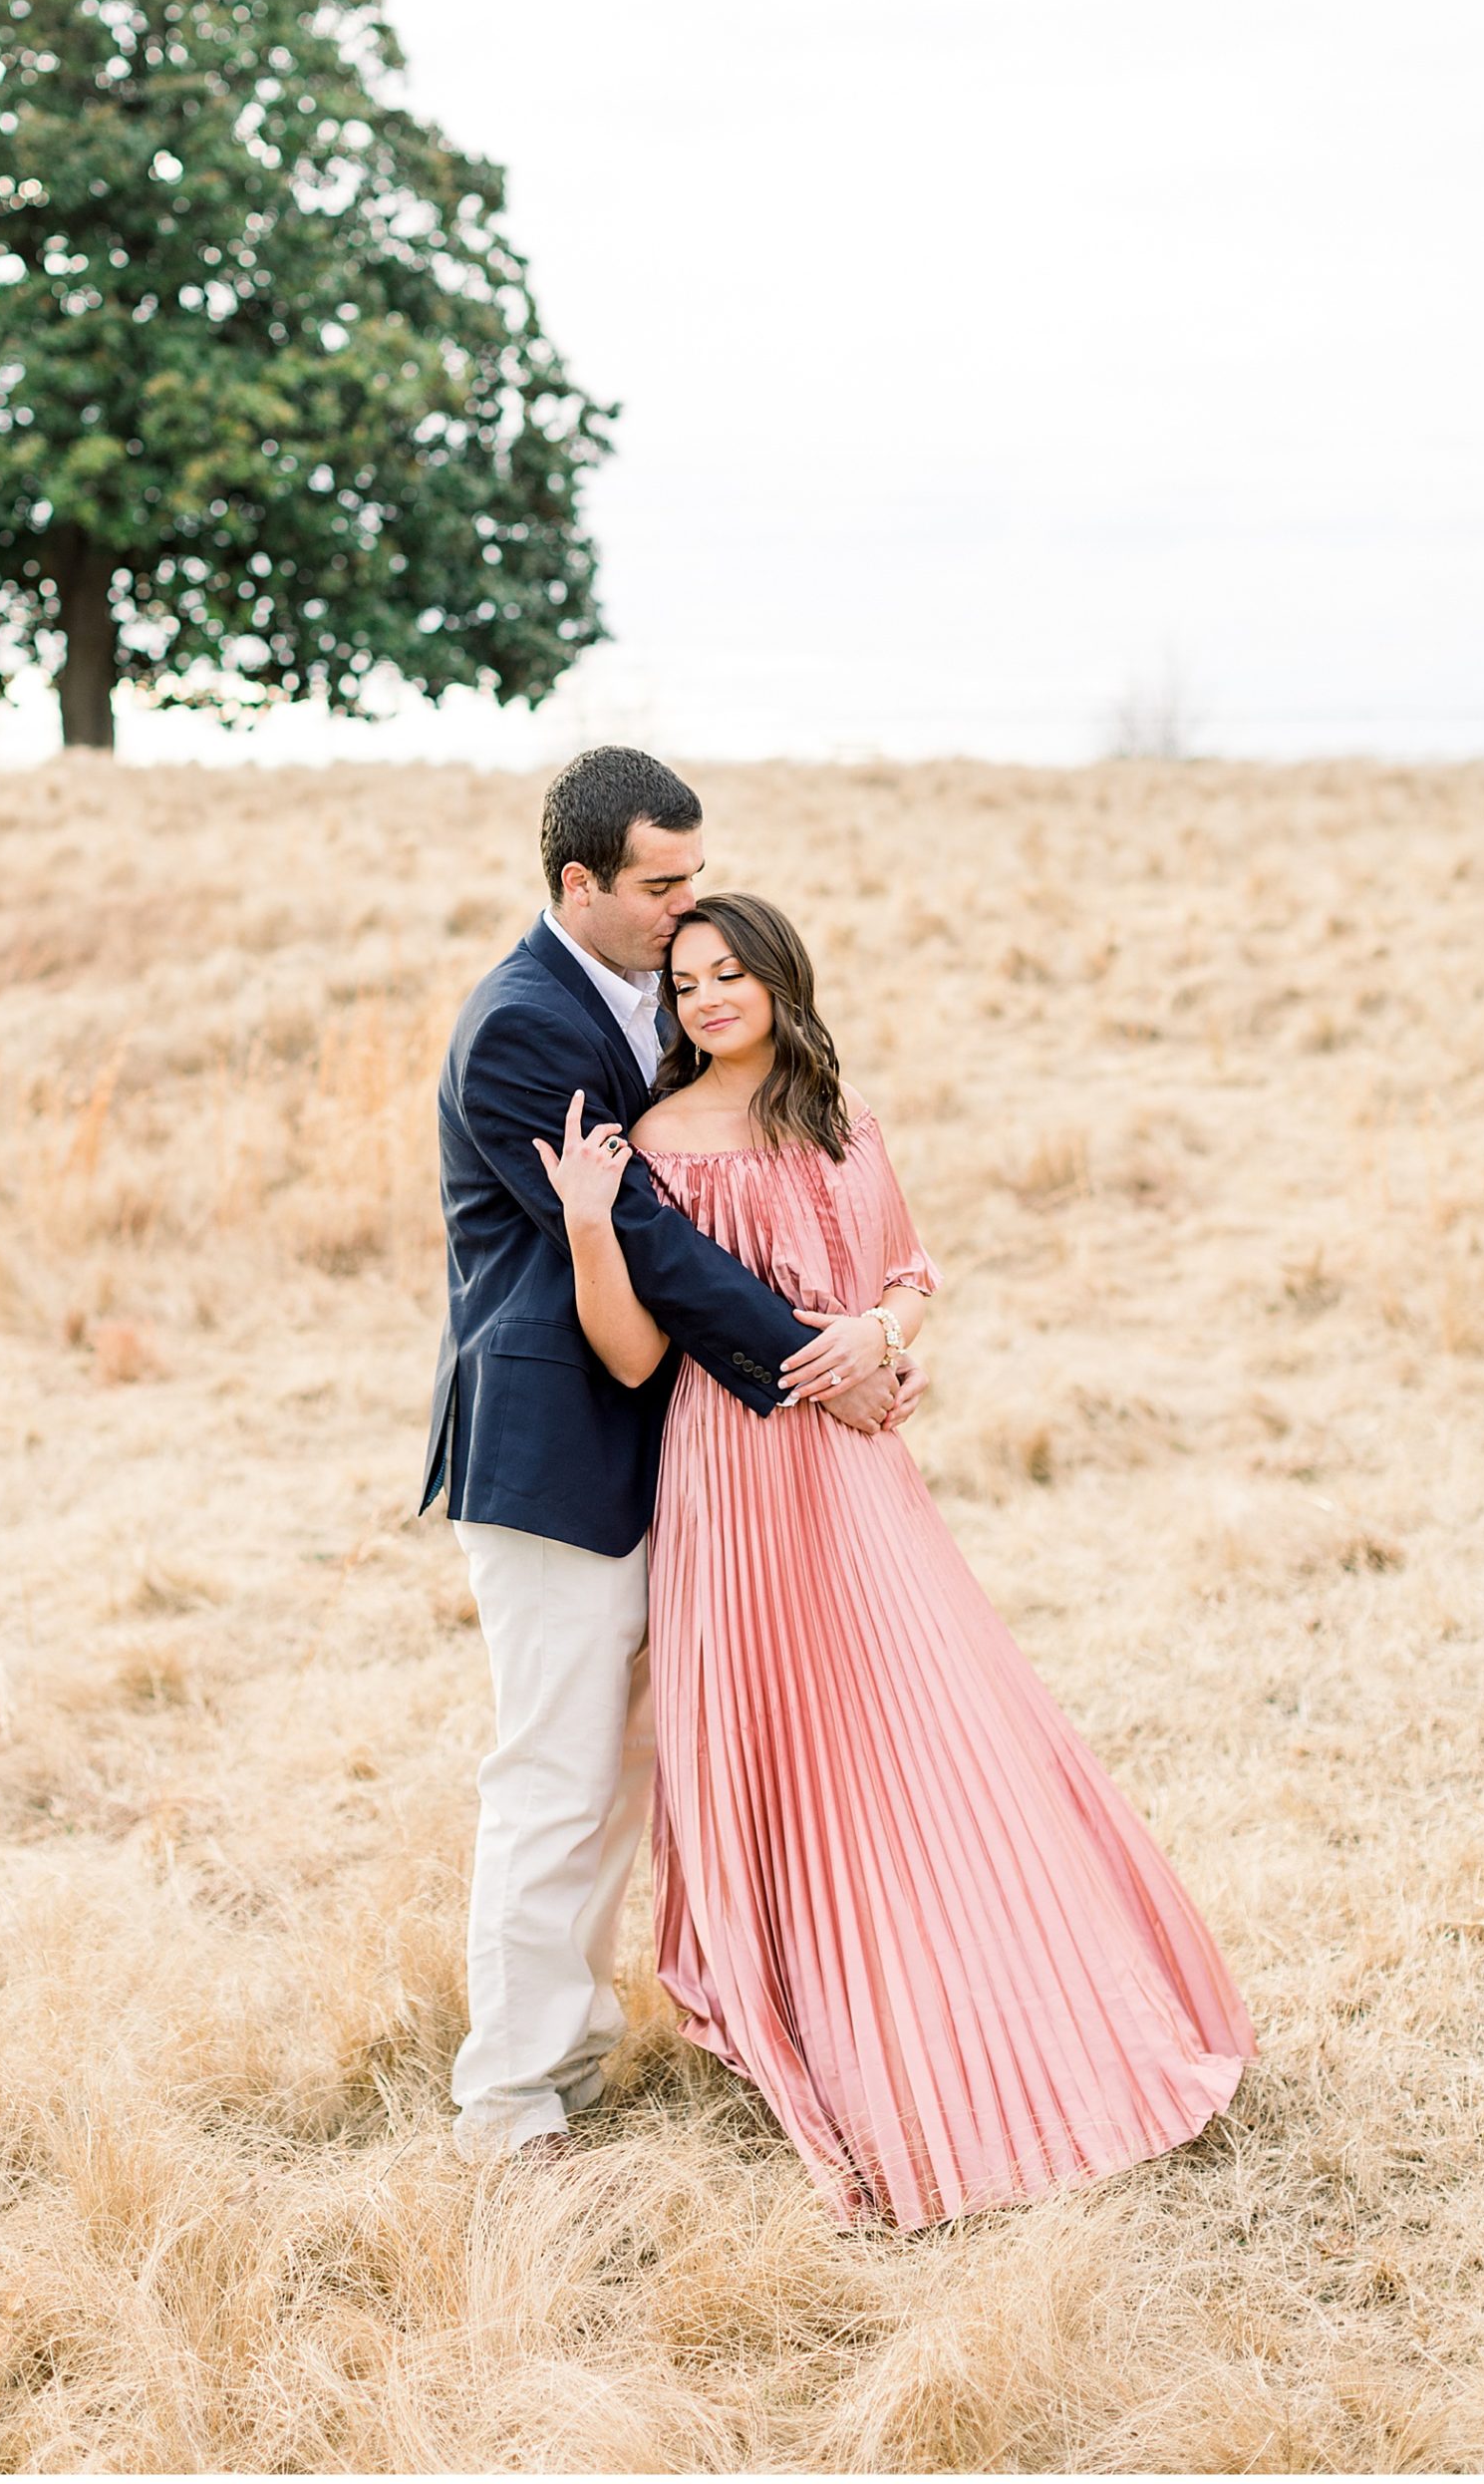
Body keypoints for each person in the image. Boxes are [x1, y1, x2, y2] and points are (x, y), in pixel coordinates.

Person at [534, 888, 1256, 2229]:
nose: (706, 998)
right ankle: (825, 2005)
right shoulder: (655, 1145)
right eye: (686, 982)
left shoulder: (841, 1123)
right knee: (779, 1744)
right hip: (731, 1473)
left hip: (855, 1469)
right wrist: (588, 1217)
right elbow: (636, 1355)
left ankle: (999, 1990)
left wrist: (881, 1333)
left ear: (777, 982)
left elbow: (915, 1271)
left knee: (918, 1726)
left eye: (730, 973)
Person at [421, 750, 923, 2162]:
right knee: (557, 1780)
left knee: (628, 1775)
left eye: (695, 877)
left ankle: (576, 2058)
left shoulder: (645, 1011)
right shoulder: (522, 1027)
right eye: (659, 884)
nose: (683, 907)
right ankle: (509, 2105)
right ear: (576, 883)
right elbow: (650, 1237)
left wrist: (873, 1327)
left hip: (665, 1448)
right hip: (555, 1457)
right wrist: (817, 1364)